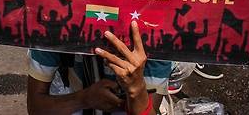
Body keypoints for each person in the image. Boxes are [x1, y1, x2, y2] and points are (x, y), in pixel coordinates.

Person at [27, 22, 170, 115]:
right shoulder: (52, 29)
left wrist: (137, 90)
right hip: (73, 96)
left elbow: (150, 110)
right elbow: (36, 107)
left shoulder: (157, 34)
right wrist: (84, 99)